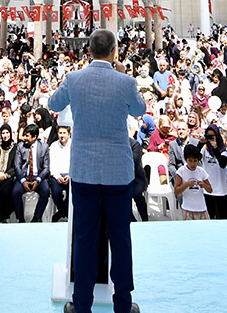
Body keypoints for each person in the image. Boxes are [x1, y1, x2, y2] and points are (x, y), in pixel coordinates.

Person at [48, 29, 146, 313]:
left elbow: (53, 104)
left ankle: (81, 307)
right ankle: (123, 305)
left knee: (85, 238)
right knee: (120, 237)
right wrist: (124, 73)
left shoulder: (74, 79)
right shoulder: (125, 81)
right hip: (118, 173)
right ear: (114, 51)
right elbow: (139, 110)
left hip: (85, 172)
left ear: (88, 51)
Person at [12, 123, 50, 223]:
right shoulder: (20, 147)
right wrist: (23, 181)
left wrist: (38, 180)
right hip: (24, 177)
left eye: (27, 136)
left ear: (34, 137)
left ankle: (36, 218)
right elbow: (17, 166)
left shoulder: (44, 147)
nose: (24, 138)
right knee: (15, 192)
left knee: (46, 191)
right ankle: (21, 219)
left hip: (39, 177)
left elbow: (46, 168)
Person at [173, 143, 211, 220]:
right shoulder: (181, 171)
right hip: (188, 209)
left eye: (195, 161)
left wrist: (204, 185)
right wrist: (186, 185)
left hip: (201, 208)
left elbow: (210, 190)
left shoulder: (201, 171)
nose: (193, 163)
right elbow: (176, 191)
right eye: (190, 161)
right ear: (185, 159)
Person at [48, 125, 72, 222]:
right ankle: (64, 212)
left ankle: (59, 214)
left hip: (70, 175)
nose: (62, 135)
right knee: (56, 193)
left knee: (72, 193)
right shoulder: (53, 146)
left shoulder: (73, 145)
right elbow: (52, 164)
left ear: (68, 133)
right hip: (57, 175)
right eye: (60, 133)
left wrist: (70, 175)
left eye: (64, 133)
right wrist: (57, 176)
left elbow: (75, 162)